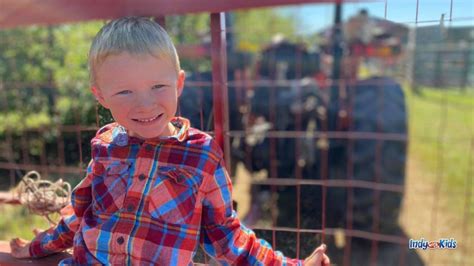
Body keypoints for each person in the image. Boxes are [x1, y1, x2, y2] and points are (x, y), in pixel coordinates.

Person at [9, 16, 330, 265]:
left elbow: (227, 237)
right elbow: (80, 214)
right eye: (124, 92)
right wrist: (36, 248)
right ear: (100, 95)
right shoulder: (105, 145)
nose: (145, 104)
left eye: (158, 87)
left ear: (178, 83)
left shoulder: (201, 156)